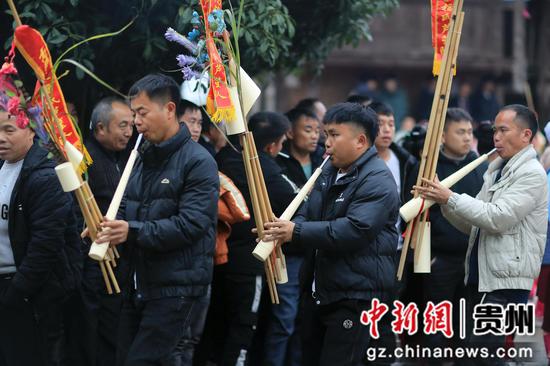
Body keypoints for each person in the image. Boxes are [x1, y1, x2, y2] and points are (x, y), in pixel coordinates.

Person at [95, 74, 219, 366]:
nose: (136, 122)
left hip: (176, 286)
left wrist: (131, 231)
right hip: (137, 281)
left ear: (169, 110)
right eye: (133, 114)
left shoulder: (199, 161)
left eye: (142, 113)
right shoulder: (141, 154)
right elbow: (126, 203)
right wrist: (109, 225)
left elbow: (191, 225)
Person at [263, 102, 399, 366]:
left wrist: (296, 231)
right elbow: (307, 210)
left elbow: (354, 230)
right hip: (322, 290)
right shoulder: (328, 170)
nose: (326, 143)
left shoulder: (378, 180)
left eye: (334, 135)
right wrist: (283, 229)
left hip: (357, 295)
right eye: (326, 134)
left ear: (360, 140)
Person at [416, 104, 548, 365]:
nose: (495, 137)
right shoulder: (496, 170)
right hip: (484, 278)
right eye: (494, 130)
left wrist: (450, 197)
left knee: (483, 355)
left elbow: (496, 217)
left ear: (526, 135)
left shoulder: (532, 174)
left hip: (506, 283)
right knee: (475, 355)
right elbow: (475, 224)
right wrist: (442, 201)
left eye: (503, 130)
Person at [197, 112, 296, 366]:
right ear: (271, 146)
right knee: (243, 326)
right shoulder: (268, 169)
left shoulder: (220, 159)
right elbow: (296, 199)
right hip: (250, 261)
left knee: (215, 323)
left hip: (218, 256)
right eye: (282, 143)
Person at [0, 74, 81, 365]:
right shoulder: (2, 167)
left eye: (9, 130)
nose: (1, 137)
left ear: (32, 131)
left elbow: (45, 245)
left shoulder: (46, 177)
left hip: (31, 293)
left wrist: (17, 292)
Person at [422, 108, 488, 360]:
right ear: (442, 135)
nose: (466, 138)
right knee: (437, 320)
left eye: (469, 132)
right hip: (439, 258)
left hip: (473, 257)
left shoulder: (480, 166)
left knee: (466, 321)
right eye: (460, 132)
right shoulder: (428, 166)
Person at [77, 96, 134, 366]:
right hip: (93, 258)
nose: (129, 132)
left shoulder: (122, 157)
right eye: (122, 125)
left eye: (131, 125)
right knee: (94, 326)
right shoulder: (84, 161)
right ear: (100, 128)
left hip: (119, 256)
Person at [263, 107, 320, 366]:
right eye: (307, 129)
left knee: (304, 324)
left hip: (315, 253)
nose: (314, 136)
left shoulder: (325, 163)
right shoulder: (277, 163)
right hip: (286, 254)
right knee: (283, 321)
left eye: (318, 131)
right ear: (290, 132)